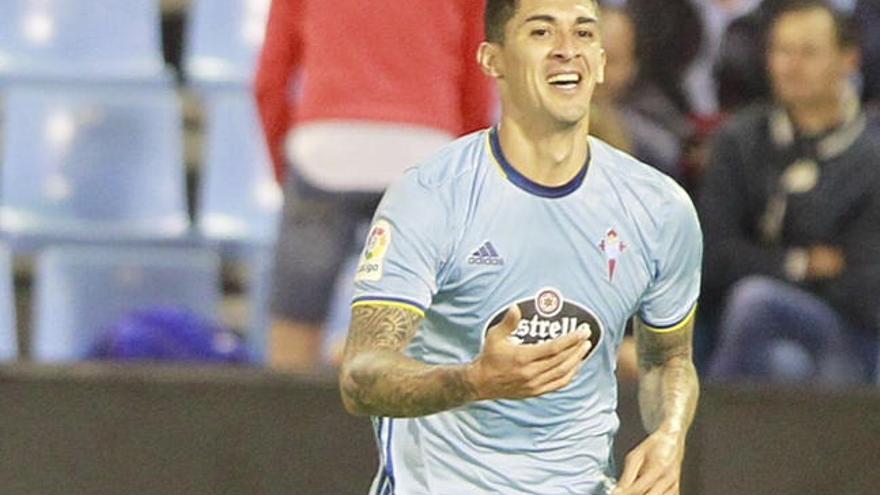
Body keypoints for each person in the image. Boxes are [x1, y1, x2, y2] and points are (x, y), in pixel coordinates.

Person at [339, 1, 702, 493]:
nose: (567, 51)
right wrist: (475, 380)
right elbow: (361, 377)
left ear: (600, 60)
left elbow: (669, 360)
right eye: (541, 32)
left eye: (583, 33)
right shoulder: (432, 196)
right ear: (493, 60)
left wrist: (670, 435)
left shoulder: (660, 210)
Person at [254, 0, 494, 370]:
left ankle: (282, 423)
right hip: (425, 154)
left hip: (325, 151)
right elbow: (477, 81)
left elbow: (269, 79)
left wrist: (284, 169)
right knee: (427, 346)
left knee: (294, 332)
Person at [701, 0, 880, 384]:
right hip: (757, 331)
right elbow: (712, 258)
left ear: (849, 60)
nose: (791, 65)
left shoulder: (872, 154)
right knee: (783, 359)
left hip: (856, 334)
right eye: (781, 51)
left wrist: (763, 262)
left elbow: (868, 286)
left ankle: (704, 433)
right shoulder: (739, 141)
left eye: (808, 52)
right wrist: (801, 264)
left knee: (756, 300)